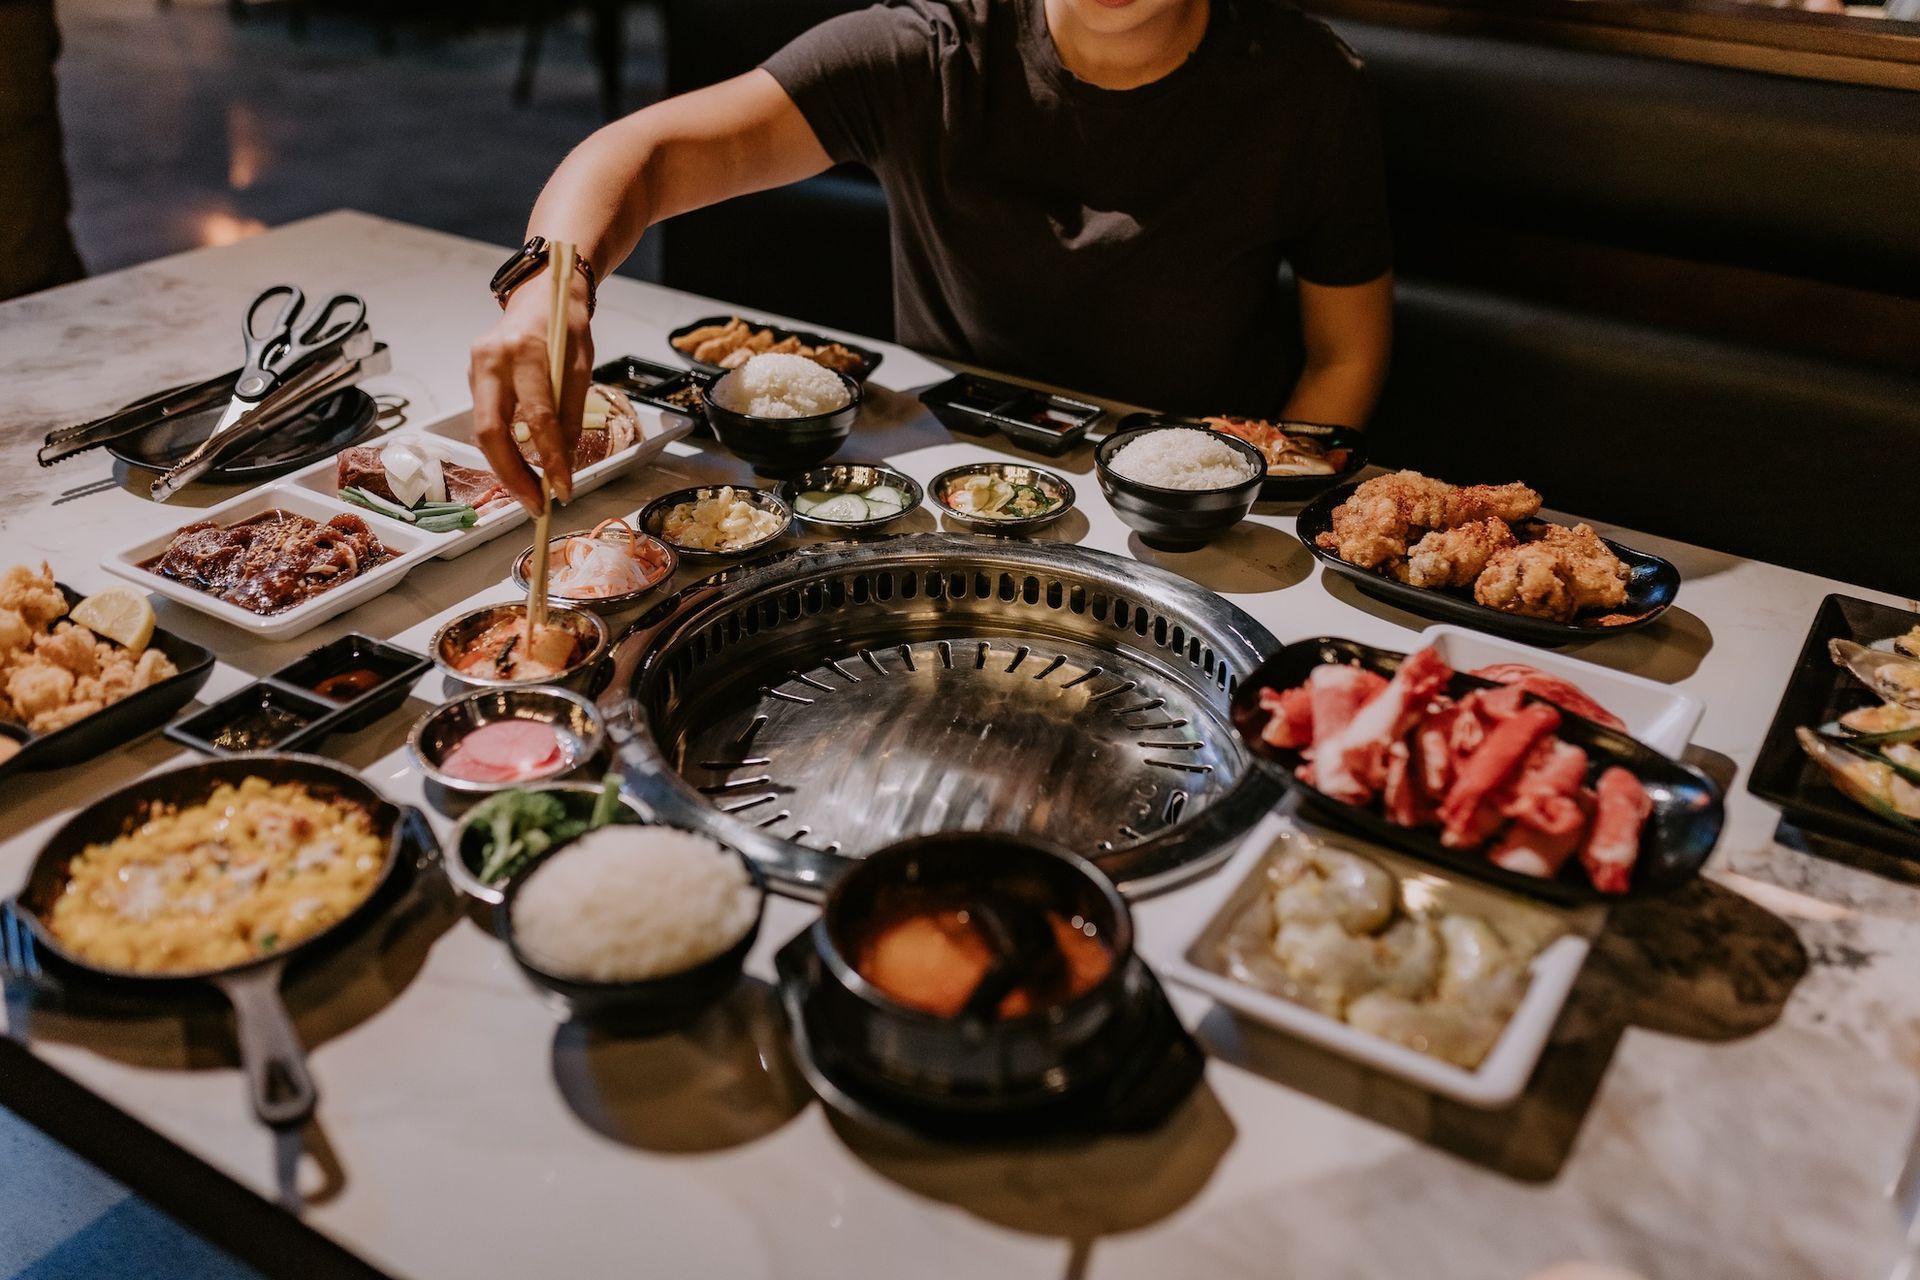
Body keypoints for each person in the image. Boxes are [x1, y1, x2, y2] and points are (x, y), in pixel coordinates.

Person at [471, 0, 1394, 514]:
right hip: (940, 486)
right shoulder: (933, 49)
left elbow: (1342, 355)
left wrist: (1239, 507)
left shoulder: (1306, 84)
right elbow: (648, 155)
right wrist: (550, 288)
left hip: (1181, 505)